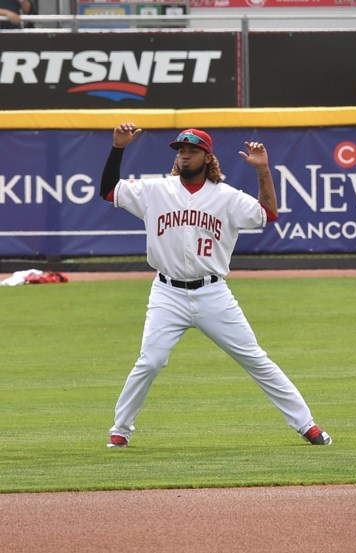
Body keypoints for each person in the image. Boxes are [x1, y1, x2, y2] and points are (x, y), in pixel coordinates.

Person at [100, 123, 332, 447]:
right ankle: (120, 430)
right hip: (167, 293)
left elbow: (268, 213)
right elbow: (109, 190)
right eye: (181, 149)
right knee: (150, 361)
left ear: (207, 157)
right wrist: (118, 148)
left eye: (192, 150)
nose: (184, 155)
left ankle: (307, 425)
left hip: (213, 293)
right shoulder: (156, 191)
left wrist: (263, 170)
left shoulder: (226, 197)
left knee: (255, 358)